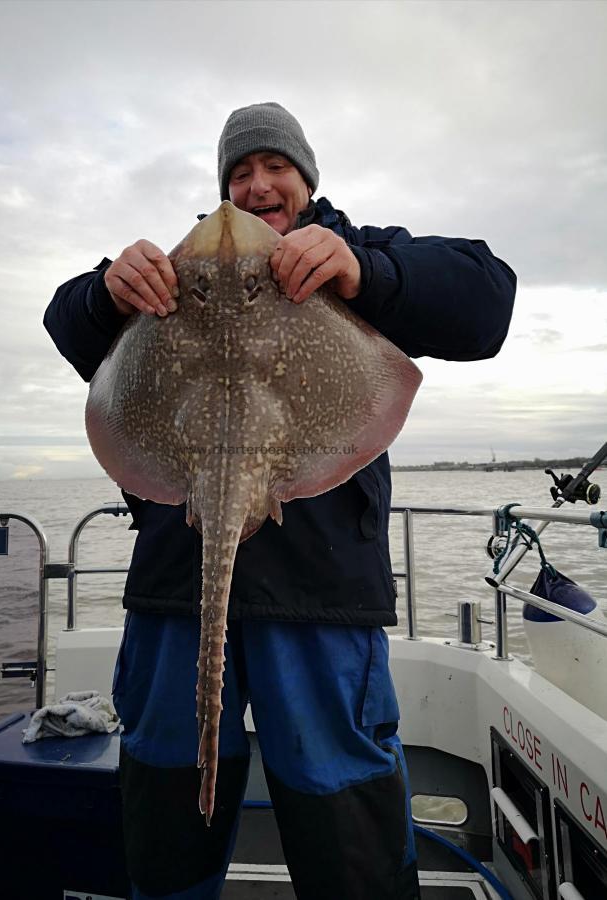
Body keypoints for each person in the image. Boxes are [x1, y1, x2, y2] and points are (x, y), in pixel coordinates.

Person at [44, 101, 516, 900]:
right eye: (239, 174)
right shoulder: (171, 279)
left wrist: (368, 273)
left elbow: (486, 297)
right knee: (165, 781)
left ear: (306, 180)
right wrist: (105, 292)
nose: (256, 187)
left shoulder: (357, 257)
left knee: (339, 797)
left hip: (319, 590)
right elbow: (70, 325)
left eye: (275, 169)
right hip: (175, 581)